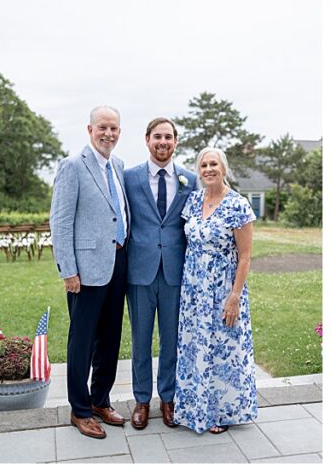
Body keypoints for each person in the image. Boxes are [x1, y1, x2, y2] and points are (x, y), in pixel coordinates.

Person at [49, 105, 129, 439]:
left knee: (110, 338)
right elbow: (60, 220)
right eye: (102, 128)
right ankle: (80, 410)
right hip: (84, 269)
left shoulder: (118, 166)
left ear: (119, 133)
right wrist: (68, 270)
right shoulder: (72, 166)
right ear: (90, 129)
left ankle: (100, 401)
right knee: (82, 341)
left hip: (118, 262)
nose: (108, 134)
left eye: (113, 128)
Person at [173, 147, 257, 434]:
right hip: (194, 290)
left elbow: (245, 256)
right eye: (204, 164)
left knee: (222, 350)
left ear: (223, 169)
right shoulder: (194, 201)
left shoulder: (238, 204)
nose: (209, 169)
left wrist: (234, 297)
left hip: (223, 290)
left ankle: (221, 413)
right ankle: (194, 407)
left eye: (214, 164)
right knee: (196, 346)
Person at [123, 118, 197, 430]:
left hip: (175, 273)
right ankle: (142, 399)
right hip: (139, 270)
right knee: (140, 340)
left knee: (171, 339)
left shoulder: (189, 179)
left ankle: (168, 398)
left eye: (168, 136)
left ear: (176, 141)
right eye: (157, 136)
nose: (162, 142)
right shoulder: (128, 177)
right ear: (147, 139)